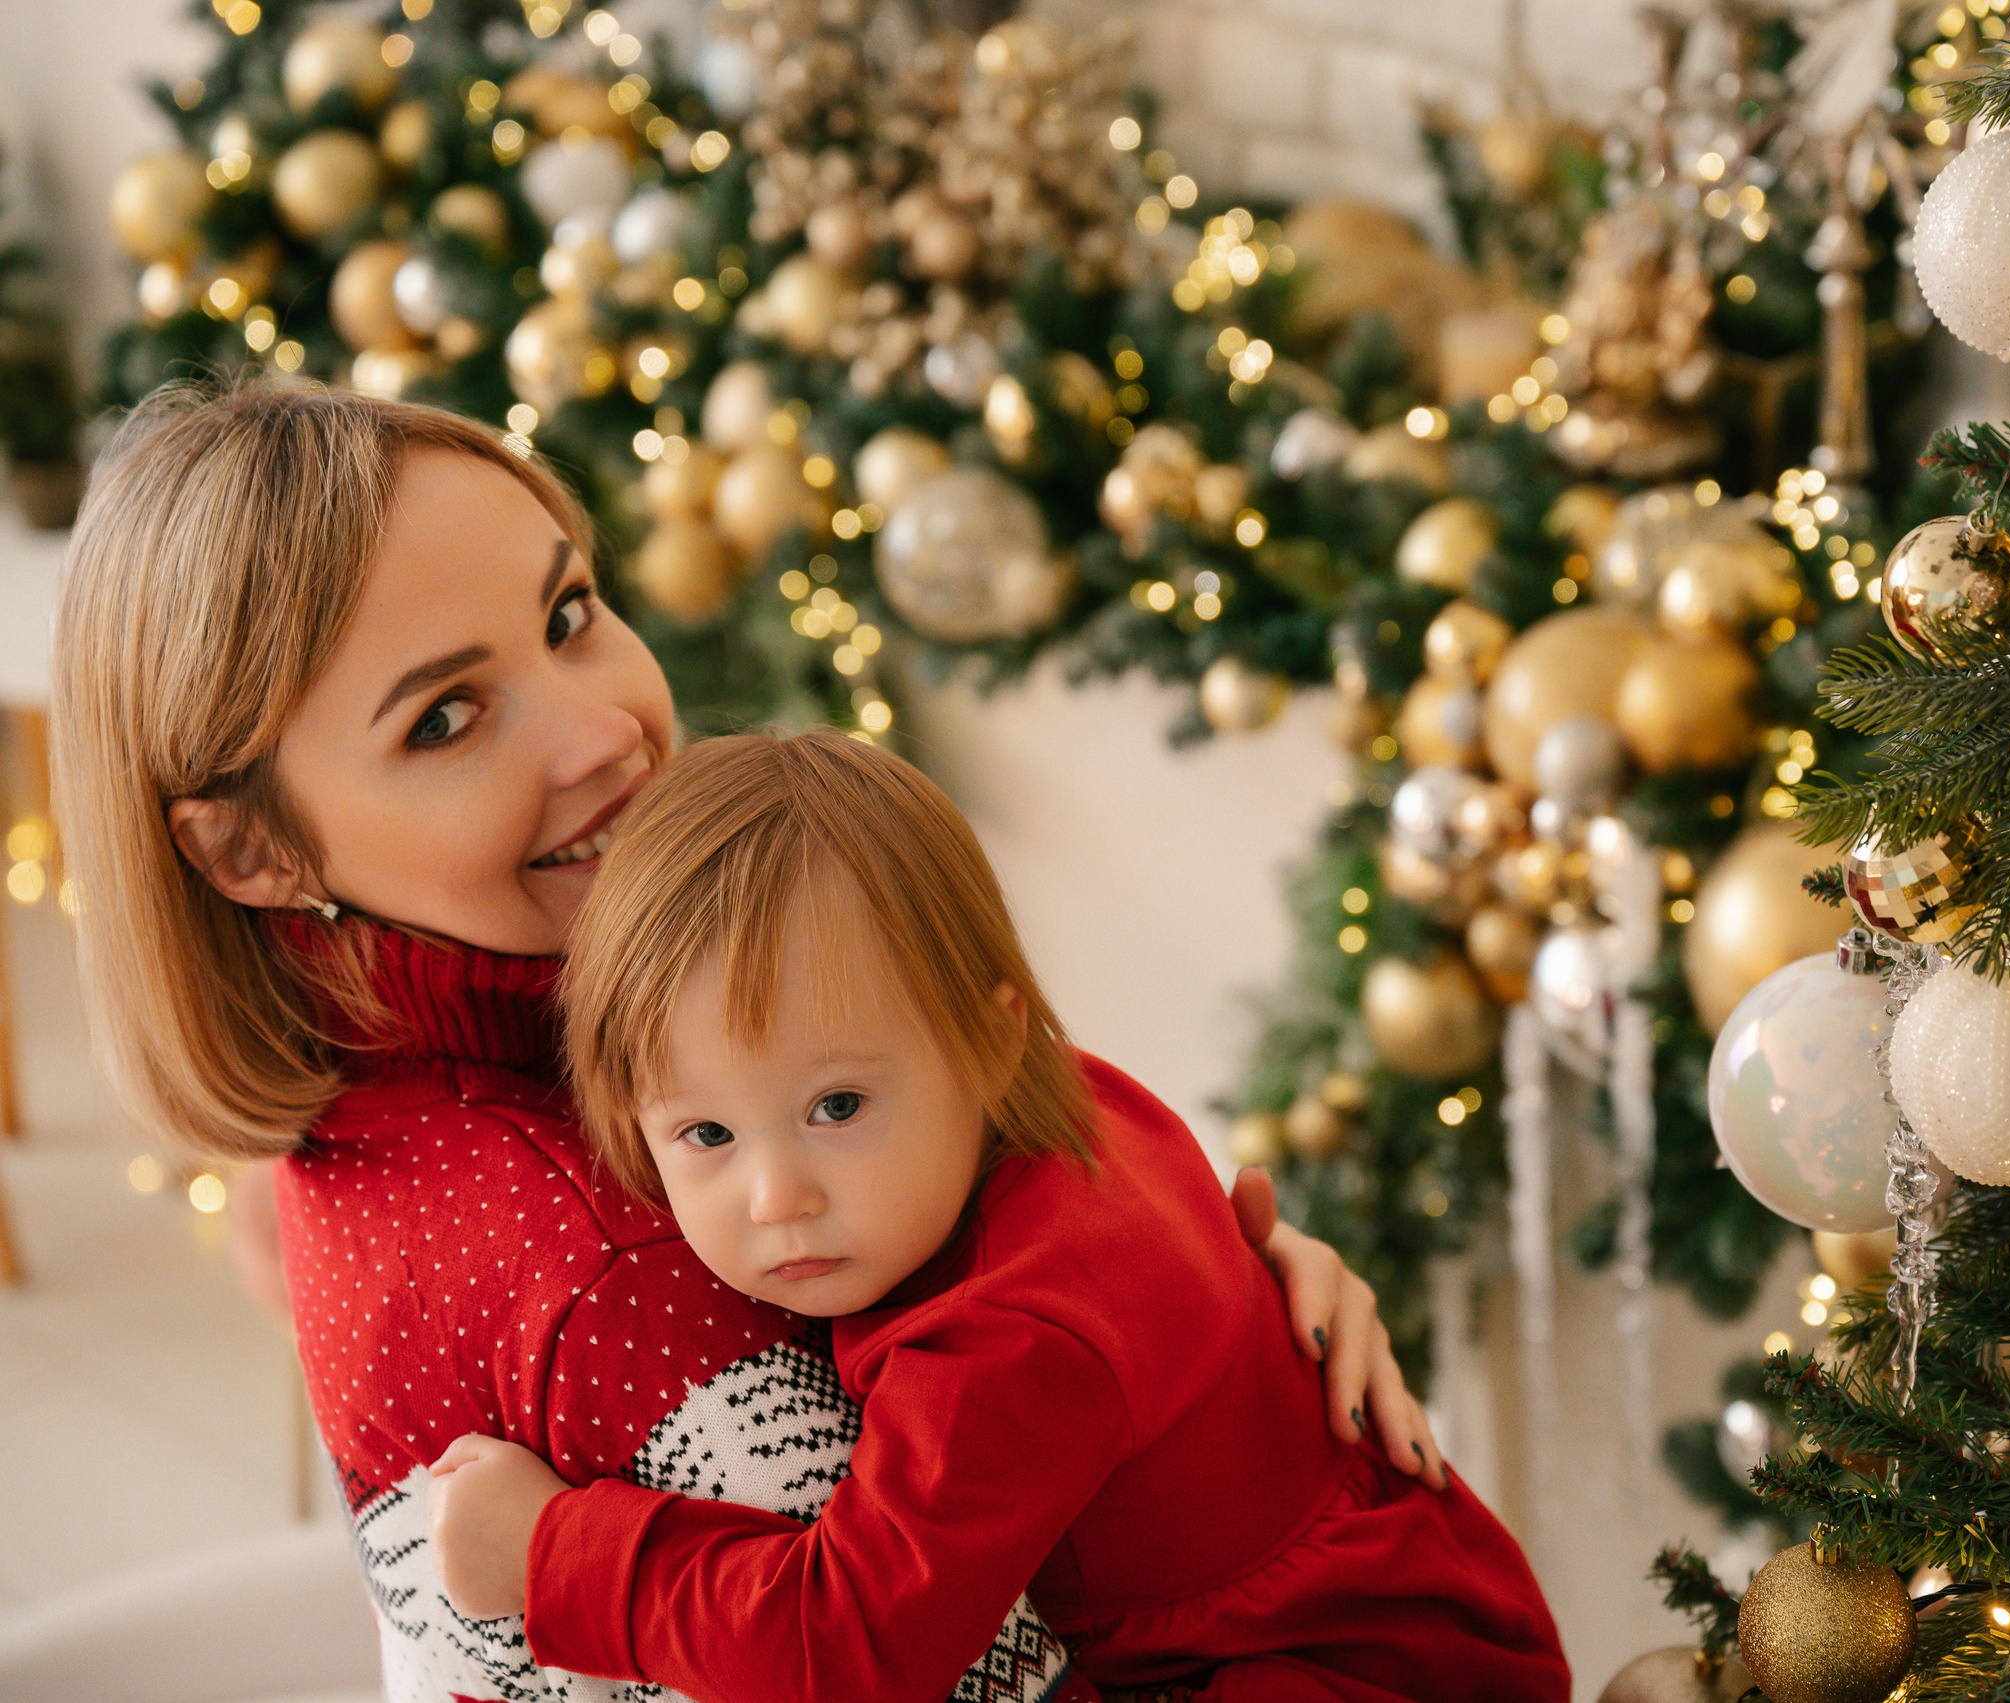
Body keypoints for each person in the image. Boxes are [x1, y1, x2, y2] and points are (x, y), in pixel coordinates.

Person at [53, 383, 1445, 1703]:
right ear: (249, 844)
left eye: (571, 609)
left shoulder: (435, 1097)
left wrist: (1196, 1324)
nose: (607, 730)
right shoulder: (631, 1264)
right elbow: (872, 1641)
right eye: (445, 716)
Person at [424, 730, 1568, 1703]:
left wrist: (546, 1551)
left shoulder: (1012, 1335)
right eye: (706, 1135)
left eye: (837, 1104)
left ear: (992, 1036)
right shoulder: (1041, 1112)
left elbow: (849, 1641)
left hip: (1337, 1667)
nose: (777, 1199)